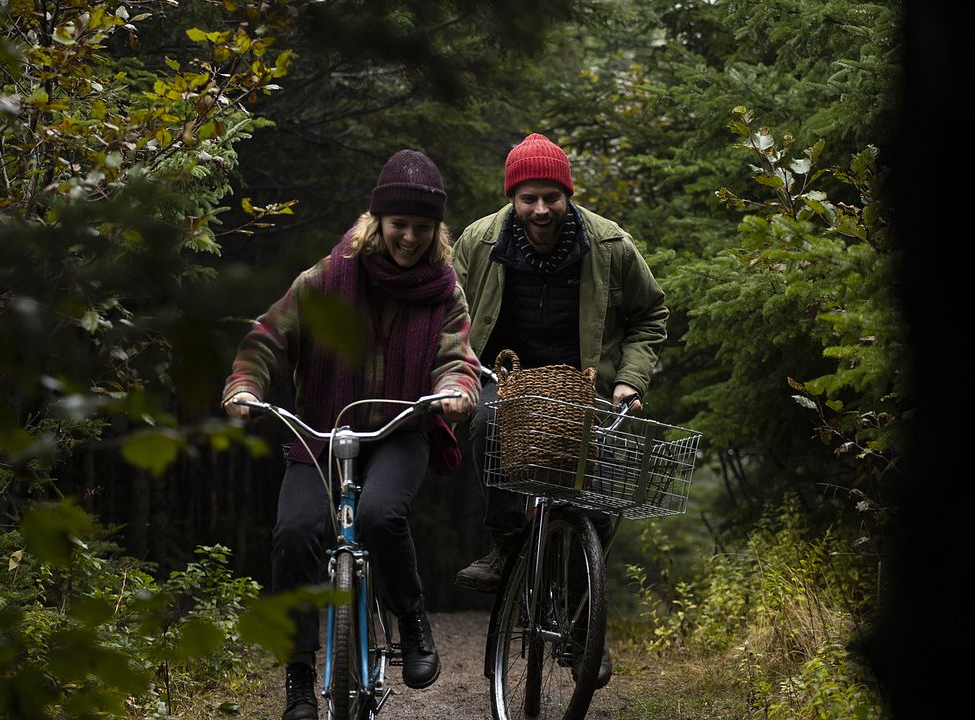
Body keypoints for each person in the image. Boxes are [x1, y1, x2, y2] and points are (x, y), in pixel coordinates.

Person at [222, 150, 480, 720]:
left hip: (400, 429)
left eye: (422, 227)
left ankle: (410, 620)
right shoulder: (327, 278)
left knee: (381, 517)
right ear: (377, 221)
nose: (409, 237)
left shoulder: (444, 291)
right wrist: (245, 386)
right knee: (295, 532)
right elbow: (269, 339)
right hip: (323, 432)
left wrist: (456, 389)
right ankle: (298, 676)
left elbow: (456, 356)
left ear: (436, 231)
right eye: (399, 224)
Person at [451, 132, 668, 684]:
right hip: (506, 379)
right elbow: (448, 316)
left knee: (595, 507)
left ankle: (580, 621)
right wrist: (458, 373)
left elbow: (650, 314)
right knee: (488, 421)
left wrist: (630, 381)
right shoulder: (478, 241)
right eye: (529, 198)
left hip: (584, 385)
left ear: (568, 194)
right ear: (512, 198)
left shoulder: (610, 244)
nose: (541, 209)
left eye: (552, 197)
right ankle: (506, 546)